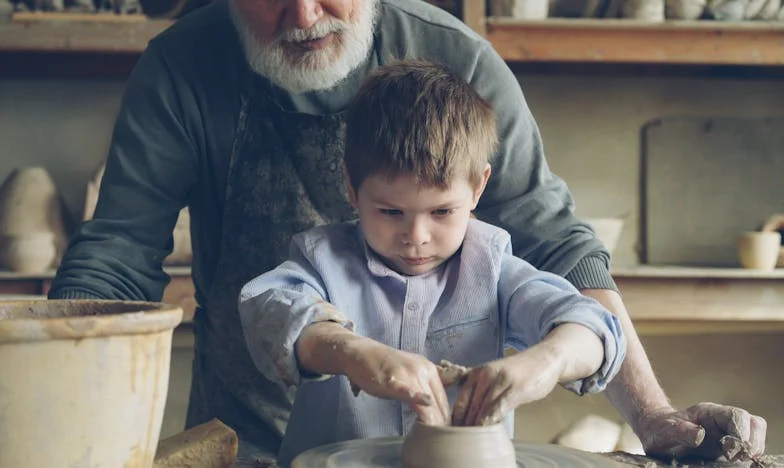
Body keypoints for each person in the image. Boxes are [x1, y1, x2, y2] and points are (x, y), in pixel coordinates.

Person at [47, 0, 767, 463]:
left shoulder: (459, 65)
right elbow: (121, 259)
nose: (302, 14)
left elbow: (562, 257)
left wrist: (652, 417)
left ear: (473, 193)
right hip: (250, 441)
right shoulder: (183, 68)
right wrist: (56, 423)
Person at [236, 59, 628, 466]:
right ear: (352, 189)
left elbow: (595, 327)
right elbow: (268, 309)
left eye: (442, 213)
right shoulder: (324, 259)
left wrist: (544, 363)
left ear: (478, 189)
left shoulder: (493, 269)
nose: (416, 237)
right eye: (390, 212)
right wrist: (354, 353)